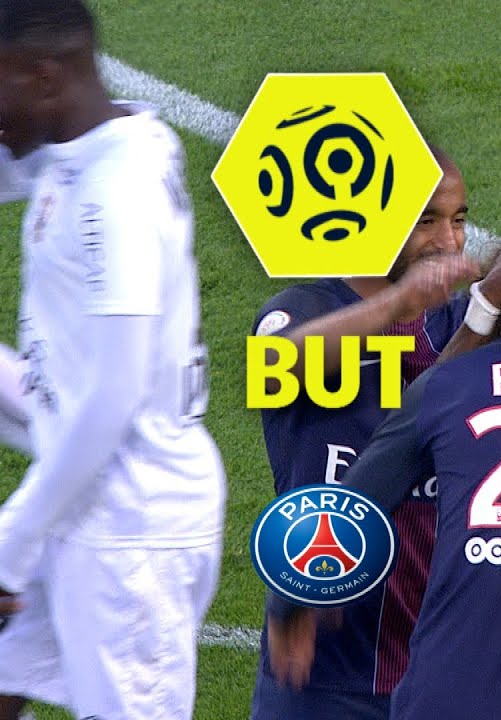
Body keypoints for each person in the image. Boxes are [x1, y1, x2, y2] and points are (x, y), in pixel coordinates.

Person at [252, 151, 501, 719]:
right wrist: (401, 301)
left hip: (439, 666)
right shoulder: (305, 311)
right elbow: (275, 367)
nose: (449, 241)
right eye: (426, 220)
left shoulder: (468, 324)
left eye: (459, 220)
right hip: (322, 664)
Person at [0, 2, 225, 719]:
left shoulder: (116, 192)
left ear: (43, 78)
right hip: (81, 488)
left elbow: (116, 394)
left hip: (131, 530)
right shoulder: (87, 145)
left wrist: (14, 539)